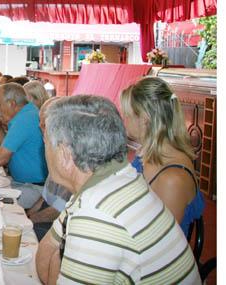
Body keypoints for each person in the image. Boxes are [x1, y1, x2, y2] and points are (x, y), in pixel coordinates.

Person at [36, 95, 200, 284]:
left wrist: (57, 260)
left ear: (65, 154)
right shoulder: (114, 179)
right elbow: (45, 252)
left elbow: (50, 258)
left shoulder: (97, 215)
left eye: (46, 141)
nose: (44, 147)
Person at [120, 77, 204, 236]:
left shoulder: (172, 180)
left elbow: (157, 242)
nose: (125, 121)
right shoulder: (150, 155)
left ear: (144, 120)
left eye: (127, 115)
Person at [0, 83, 47, 209]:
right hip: (21, 182)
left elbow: (1, 159)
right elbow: (9, 148)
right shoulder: (28, 113)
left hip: (34, 188)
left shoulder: (24, 120)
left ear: (11, 103)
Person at [26, 97, 70, 240]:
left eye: (44, 122)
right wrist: (27, 214)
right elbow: (45, 196)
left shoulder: (67, 154)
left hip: (57, 224)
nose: (39, 126)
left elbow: (58, 210)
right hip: (48, 211)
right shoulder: (53, 146)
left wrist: (30, 220)